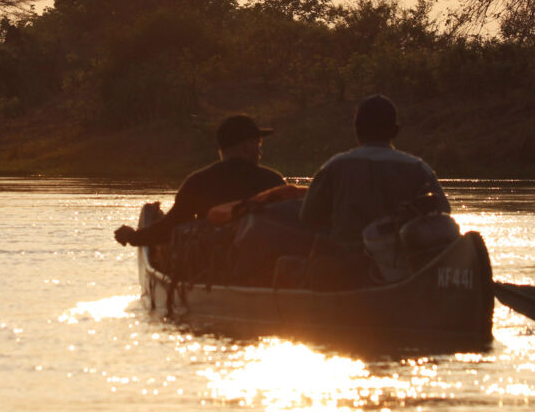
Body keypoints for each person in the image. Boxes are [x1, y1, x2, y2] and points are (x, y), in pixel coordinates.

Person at [299, 94, 449, 286]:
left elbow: (308, 217)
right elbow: (443, 213)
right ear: (395, 131)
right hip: (404, 268)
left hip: (345, 268)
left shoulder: (334, 166)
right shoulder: (419, 168)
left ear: (357, 130)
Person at [114, 114, 286, 247]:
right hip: (265, 266)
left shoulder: (198, 182)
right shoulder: (273, 181)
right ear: (245, 147)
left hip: (218, 266)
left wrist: (133, 237)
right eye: (258, 145)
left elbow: (170, 227)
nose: (260, 152)